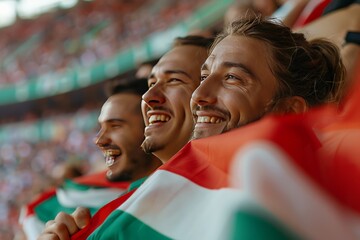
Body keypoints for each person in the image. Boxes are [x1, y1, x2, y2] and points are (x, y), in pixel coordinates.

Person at [38, 17, 345, 239]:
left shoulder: (309, 206)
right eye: (203, 76)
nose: (199, 96)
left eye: (233, 78)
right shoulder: (146, 200)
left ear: (289, 111)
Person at [37, 35, 213, 239]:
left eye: (174, 80)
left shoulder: (233, 189)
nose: (148, 96)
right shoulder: (126, 210)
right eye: (151, 83)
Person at [21, 77, 162, 240]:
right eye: (101, 128)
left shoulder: (182, 201)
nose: (99, 140)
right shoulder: (108, 212)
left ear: (153, 125)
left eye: (115, 126)